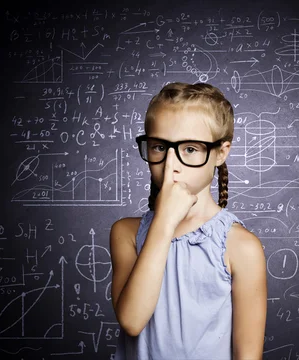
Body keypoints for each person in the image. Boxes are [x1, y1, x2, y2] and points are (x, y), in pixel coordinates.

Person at [109, 82, 267, 359]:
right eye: (159, 147)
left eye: (190, 149)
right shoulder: (126, 233)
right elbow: (132, 321)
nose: (171, 165)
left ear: (220, 152)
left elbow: (248, 355)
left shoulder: (241, 247)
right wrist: (165, 221)